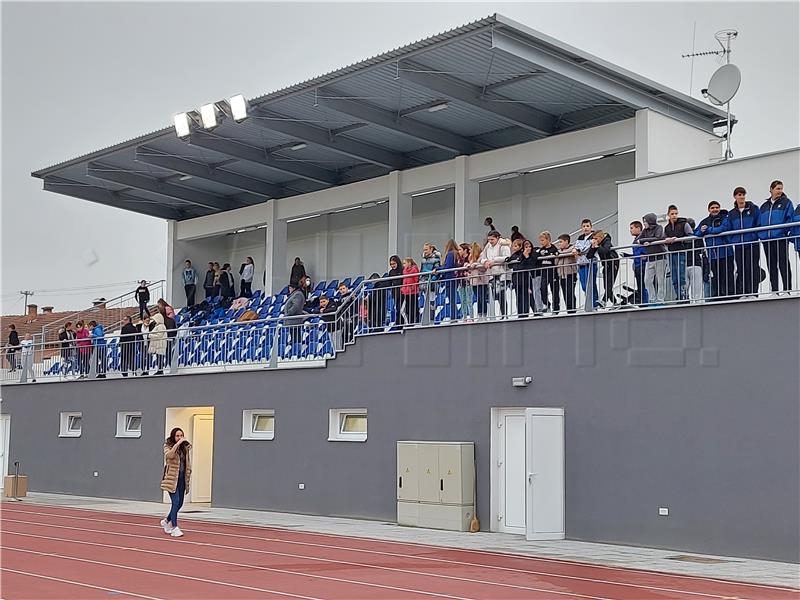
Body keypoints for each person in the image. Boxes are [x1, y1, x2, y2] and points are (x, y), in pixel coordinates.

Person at [709, 187, 761, 297]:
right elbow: (727, 228)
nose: (741, 197)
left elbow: (759, 224)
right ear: (735, 197)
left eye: (743, 194)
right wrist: (733, 239)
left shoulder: (754, 209)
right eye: (739, 195)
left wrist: (754, 236)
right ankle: (744, 292)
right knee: (741, 269)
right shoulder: (732, 214)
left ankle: (753, 292)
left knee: (751, 267)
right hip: (738, 245)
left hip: (751, 244)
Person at [758, 180, 793, 293]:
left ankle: (787, 290)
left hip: (780, 238)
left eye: (781, 188)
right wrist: (762, 235)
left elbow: (790, 219)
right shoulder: (764, 206)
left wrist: (783, 232)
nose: (780, 191)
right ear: (771, 189)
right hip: (767, 240)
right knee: (771, 266)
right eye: (778, 188)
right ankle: (775, 291)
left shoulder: (786, 202)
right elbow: (759, 223)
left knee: (783, 264)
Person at [696, 201, 735, 300]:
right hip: (713, 255)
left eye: (717, 207)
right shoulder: (705, 221)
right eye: (713, 208)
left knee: (727, 275)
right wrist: (701, 231)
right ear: (709, 209)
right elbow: (696, 232)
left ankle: (729, 296)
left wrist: (708, 230)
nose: (715, 209)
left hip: (726, 253)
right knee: (715, 277)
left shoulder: (724, 218)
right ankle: (717, 297)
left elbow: (723, 228)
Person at [160, 427, 192, 538]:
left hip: (182, 478)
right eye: (177, 436)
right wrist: (177, 444)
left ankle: (166, 520)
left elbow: (187, 462)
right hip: (172, 479)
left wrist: (188, 473)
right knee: (175, 501)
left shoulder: (185, 448)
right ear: (173, 437)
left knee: (180, 503)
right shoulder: (168, 446)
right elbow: (169, 456)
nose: (180, 438)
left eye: (181, 435)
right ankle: (174, 527)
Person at [663, 205, 694, 303]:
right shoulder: (667, 227)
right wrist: (667, 240)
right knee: (674, 277)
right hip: (671, 253)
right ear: (668, 215)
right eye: (672, 214)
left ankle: (684, 296)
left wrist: (677, 239)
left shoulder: (684, 224)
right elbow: (664, 239)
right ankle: (679, 296)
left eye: (676, 213)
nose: (674, 216)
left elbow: (690, 236)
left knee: (681, 276)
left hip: (681, 252)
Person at [481, 230, 512, 318]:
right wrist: (485, 262)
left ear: (497, 238)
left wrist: (494, 261)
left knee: (501, 294)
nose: (490, 241)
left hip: (502, 273)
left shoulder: (503, 245)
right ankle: (500, 314)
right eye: (489, 240)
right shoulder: (488, 246)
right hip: (492, 274)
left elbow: (507, 257)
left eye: (492, 239)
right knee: (495, 295)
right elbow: (482, 257)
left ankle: (504, 314)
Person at [586, 230, 620, 306]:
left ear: (601, 237)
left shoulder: (607, 241)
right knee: (606, 285)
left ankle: (604, 301)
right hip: (606, 265)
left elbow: (605, 250)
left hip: (613, 263)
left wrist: (597, 246)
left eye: (596, 238)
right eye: (593, 238)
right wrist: (592, 247)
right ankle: (615, 302)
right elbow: (589, 256)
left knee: (609, 284)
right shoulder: (597, 244)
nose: (595, 240)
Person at [639, 213, 667, 305]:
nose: (644, 223)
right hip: (650, 258)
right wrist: (645, 241)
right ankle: (652, 298)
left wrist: (647, 241)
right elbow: (638, 240)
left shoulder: (659, 227)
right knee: (647, 280)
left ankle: (660, 299)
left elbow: (658, 237)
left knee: (660, 279)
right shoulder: (644, 231)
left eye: (645, 221)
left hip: (660, 257)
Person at [574, 219, 601, 309]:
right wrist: (577, 249)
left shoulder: (594, 236)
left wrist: (580, 249)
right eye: (584, 226)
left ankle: (594, 303)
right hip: (581, 262)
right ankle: (590, 302)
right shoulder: (580, 237)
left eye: (587, 226)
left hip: (591, 262)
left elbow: (586, 249)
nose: (585, 228)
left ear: (591, 227)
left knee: (591, 283)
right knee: (584, 285)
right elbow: (577, 247)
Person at [509, 239, 537, 317]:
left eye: (529, 247)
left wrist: (526, 256)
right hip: (517, 279)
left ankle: (529, 311)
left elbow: (529, 265)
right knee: (519, 297)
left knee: (528, 296)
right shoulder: (515, 255)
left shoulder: (528, 255)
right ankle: (520, 313)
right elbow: (510, 264)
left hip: (525, 278)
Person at [536, 232, 560, 314]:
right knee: (542, 288)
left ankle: (556, 308)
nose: (541, 242)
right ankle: (546, 304)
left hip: (552, 272)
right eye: (540, 240)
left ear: (548, 240)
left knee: (555, 290)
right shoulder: (541, 250)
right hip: (544, 272)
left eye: (542, 240)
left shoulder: (554, 248)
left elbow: (556, 256)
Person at [466, 242, 489, 320]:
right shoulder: (471, 259)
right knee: (478, 298)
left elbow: (484, 268)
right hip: (474, 281)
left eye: (470, 249)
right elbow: (470, 270)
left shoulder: (481, 257)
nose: (469, 251)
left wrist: (476, 265)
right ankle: (479, 314)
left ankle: (484, 314)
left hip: (481, 281)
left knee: (482, 298)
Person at [555, 234, 578, 313]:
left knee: (570, 292)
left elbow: (575, 258)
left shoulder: (573, 249)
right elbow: (556, 262)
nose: (559, 244)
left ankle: (572, 309)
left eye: (561, 242)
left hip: (570, 274)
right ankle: (569, 310)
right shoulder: (558, 252)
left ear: (566, 241)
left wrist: (561, 254)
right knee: (565, 292)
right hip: (561, 275)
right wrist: (558, 256)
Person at [419, 243, 441, 323]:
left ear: (431, 249)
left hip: (432, 282)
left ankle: (432, 319)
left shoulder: (436, 258)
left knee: (432, 301)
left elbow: (436, 270)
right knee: (425, 301)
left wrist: (432, 279)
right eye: (424, 249)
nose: (425, 251)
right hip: (424, 282)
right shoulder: (423, 259)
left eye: (426, 249)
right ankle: (427, 318)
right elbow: (421, 270)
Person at [438, 241, 460, 321]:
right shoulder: (456, 254)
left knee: (451, 299)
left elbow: (448, 267)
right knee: (452, 298)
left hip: (449, 278)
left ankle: (454, 317)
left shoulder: (450, 254)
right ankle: (455, 315)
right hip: (453, 278)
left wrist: (438, 269)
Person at [628, 222, 648, 305]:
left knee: (643, 285)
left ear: (638, 228)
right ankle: (643, 301)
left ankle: (645, 302)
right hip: (637, 265)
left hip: (642, 265)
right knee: (640, 286)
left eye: (632, 228)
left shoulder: (642, 238)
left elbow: (643, 253)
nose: (630, 230)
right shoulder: (637, 239)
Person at [456, 244, 474, 322]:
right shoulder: (459, 259)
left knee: (469, 300)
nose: (459, 251)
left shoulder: (469, 258)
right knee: (462, 300)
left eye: (460, 249)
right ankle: (464, 317)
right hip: (460, 282)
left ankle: (472, 317)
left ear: (465, 250)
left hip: (468, 282)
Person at [401, 257, 421, 326]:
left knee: (413, 307)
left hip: (413, 291)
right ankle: (410, 322)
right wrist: (403, 289)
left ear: (409, 263)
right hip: (406, 292)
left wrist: (412, 287)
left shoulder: (414, 270)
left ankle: (415, 321)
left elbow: (416, 280)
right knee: (408, 308)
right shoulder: (404, 271)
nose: (403, 265)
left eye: (404, 263)